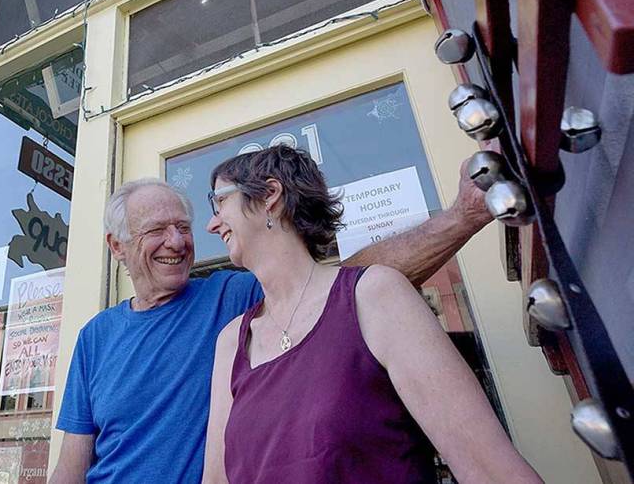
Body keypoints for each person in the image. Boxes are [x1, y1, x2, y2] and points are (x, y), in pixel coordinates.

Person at [49, 154, 494, 484]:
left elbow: (341, 288)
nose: (179, 242)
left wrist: (461, 217)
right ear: (117, 247)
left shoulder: (232, 298)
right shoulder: (95, 337)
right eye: (156, 231)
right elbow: (72, 464)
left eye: (182, 227)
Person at [202, 146, 541, 483]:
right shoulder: (231, 342)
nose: (212, 225)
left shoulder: (374, 295)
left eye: (220, 202)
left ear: (269, 195)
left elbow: (488, 469)